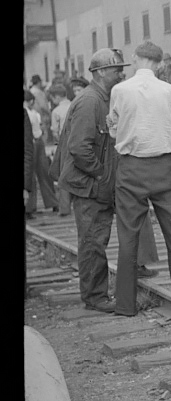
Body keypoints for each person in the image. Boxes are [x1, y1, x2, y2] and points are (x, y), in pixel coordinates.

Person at [108, 42, 171, 317]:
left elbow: (113, 127)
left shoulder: (119, 90)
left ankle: (125, 303)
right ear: (160, 64)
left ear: (135, 59)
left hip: (131, 167)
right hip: (165, 165)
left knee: (128, 236)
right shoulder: (170, 90)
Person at [53, 49, 129, 312]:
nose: (121, 73)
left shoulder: (101, 98)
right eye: (116, 69)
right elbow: (79, 148)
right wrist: (102, 175)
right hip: (89, 186)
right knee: (93, 241)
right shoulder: (90, 101)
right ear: (99, 73)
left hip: (94, 184)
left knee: (96, 239)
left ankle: (96, 294)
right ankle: (95, 297)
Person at [25, 89, 60, 215]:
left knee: (33, 175)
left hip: (34, 142)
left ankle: (30, 207)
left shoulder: (31, 113)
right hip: (36, 141)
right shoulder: (34, 113)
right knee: (42, 174)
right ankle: (52, 203)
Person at [48, 84, 73, 216]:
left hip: (64, 145)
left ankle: (65, 208)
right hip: (78, 142)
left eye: (52, 98)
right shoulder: (74, 104)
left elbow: (55, 132)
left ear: (57, 97)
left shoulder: (56, 111)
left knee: (63, 176)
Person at [30, 75, 51, 144]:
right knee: (43, 135)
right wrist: (49, 113)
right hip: (41, 116)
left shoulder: (30, 91)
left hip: (33, 115)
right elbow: (43, 105)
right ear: (39, 82)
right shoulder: (39, 92)